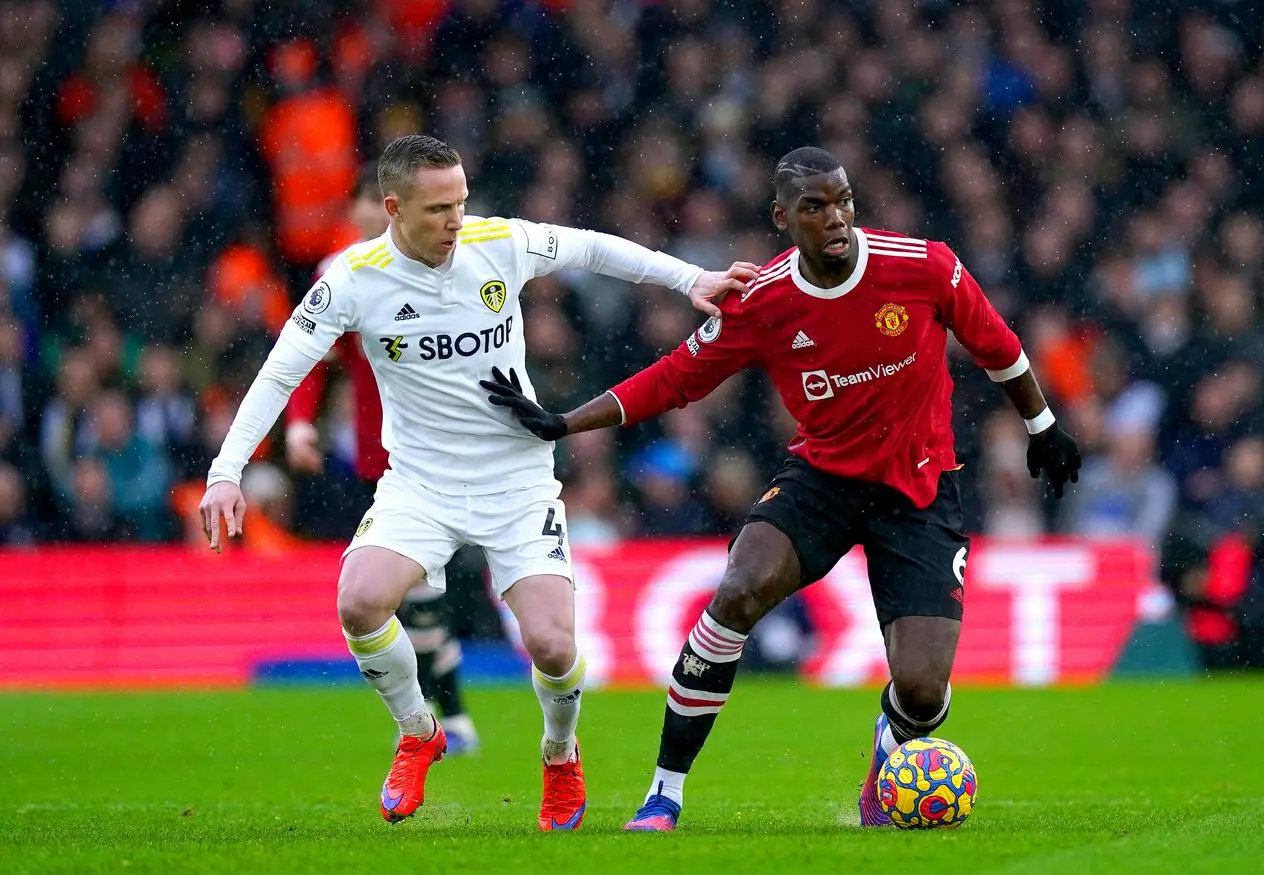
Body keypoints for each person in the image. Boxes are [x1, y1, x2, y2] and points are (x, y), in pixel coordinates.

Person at [482, 146, 1082, 832]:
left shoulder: (922, 265)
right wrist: (564, 420)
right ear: (782, 217)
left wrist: (1043, 425)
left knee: (922, 690)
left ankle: (886, 759)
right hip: (821, 480)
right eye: (816, 207)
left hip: (919, 491)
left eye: (845, 200)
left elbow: (997, 343)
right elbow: (677, 377)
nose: (837, 217)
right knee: (738, 589)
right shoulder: (765, 300)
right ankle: (663, 793)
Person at [198, 134, 757, 830]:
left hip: (517, 482)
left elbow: (590, 246)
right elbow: (281, 371)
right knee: (360, 601)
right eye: (437, 210)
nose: (455, 222)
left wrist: (687, 278)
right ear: (394, 208)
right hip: (420, 486)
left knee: (554, 645)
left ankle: (559, 753)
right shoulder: (352, 278)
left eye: (460, 203)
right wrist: (227, 471)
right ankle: (419, 730)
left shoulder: (498, 243)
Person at [284, 163, 481, 755]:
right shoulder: (344, 277)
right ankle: (449, 719)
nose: (373, 213)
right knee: (417, 596)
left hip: (452, 448)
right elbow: (307, 359)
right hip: (383, 458)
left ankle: (442, 718)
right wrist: (298, 426)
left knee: (428, 593)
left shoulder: (448, 261)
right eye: (366, 203)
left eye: (380, 201)